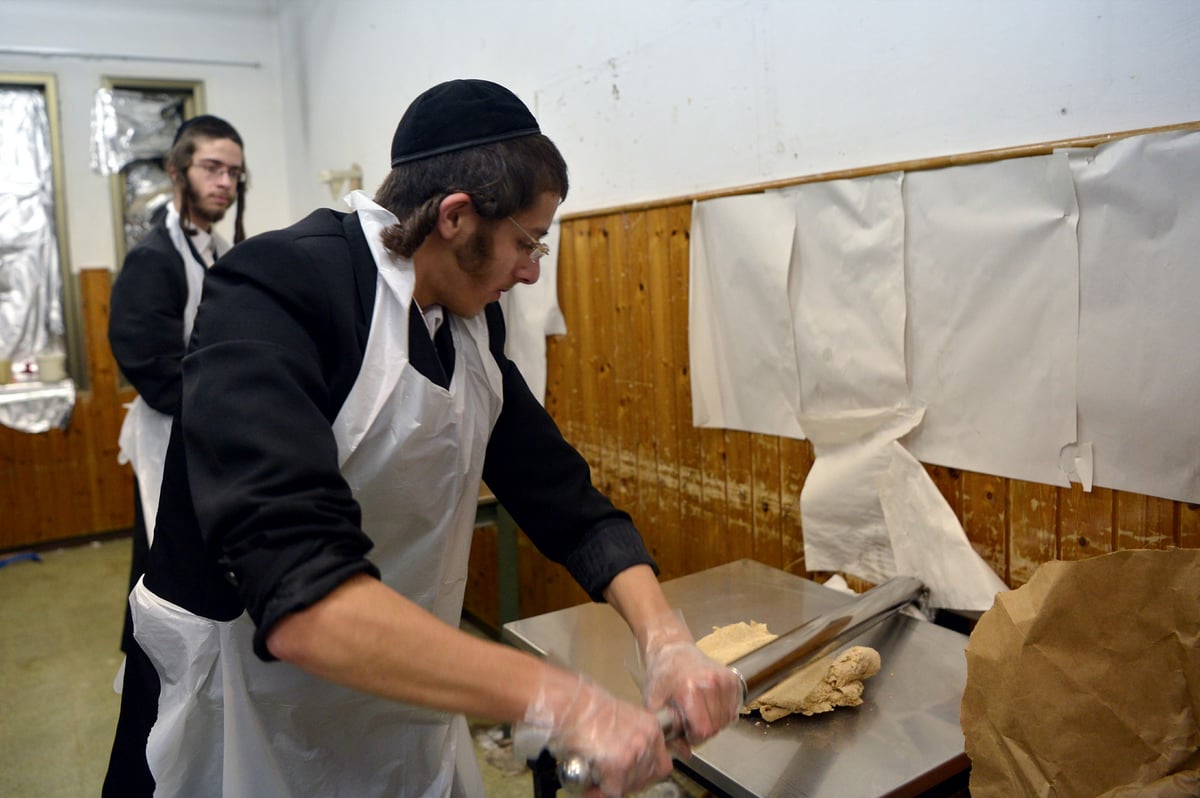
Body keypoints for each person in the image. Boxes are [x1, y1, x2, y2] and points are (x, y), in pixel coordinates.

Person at [102, 79, 741, 798]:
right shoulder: (280, 288)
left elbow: (562, 495)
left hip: (398, 689)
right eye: (526, 243)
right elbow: (300, 595)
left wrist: (666, 641)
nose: (532, 272)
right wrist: (565, 700)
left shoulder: (469, 325)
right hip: (247, 710)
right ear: (456, 217)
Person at [108, 114, 248, 654]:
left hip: (204, 427)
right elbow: (147, 361)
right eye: (212, 168)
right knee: (163, 561)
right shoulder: (153, 258)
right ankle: (155, 673)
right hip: (169, 432)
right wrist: (225, 407)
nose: (225, 183)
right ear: (176, 171)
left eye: (234, 173)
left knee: (190, 556)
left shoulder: (215, 248)